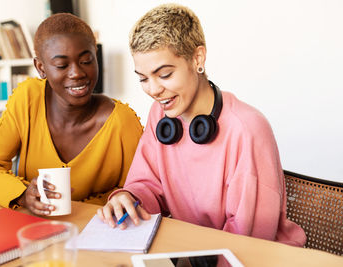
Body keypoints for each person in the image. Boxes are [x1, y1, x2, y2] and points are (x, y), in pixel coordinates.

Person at [98, 3, 306, 246]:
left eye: (164, 75)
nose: (153, 90)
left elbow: (248, 240)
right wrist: (128, 198)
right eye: (143, 78)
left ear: (197, 58)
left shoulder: (247, 129)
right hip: (199, 253)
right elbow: (148, 184)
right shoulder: (161, 116)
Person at [0, 13, 143, 216]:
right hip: (33, 231)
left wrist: (114, 201)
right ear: (41, 68)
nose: (77, 73)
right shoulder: (28, 99)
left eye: (86, 61)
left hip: (98, 231)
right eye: (62, 65)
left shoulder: (122, 122)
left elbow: (138, 189)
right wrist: (23, 194)